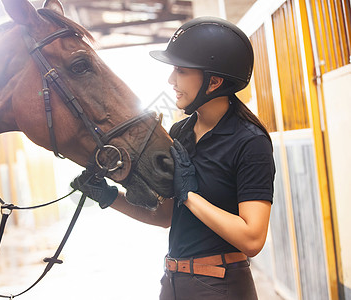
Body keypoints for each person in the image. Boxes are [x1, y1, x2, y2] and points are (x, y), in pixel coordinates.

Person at [71, 16, 275, 300]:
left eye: (180, 70)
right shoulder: (179, 132)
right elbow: (165, 216)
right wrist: (109, 197)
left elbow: (252, 239)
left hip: (221, 286)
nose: (171, 80)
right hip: (174, 282)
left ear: (214, 81)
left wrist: (189, 195)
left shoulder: (249, 142)